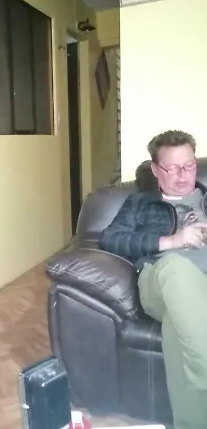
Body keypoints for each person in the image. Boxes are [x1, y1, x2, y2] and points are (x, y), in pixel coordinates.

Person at [100, 130, 207, 429]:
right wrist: (171, 241)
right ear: (156, 170)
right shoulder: (140, 203)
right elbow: (110, 239)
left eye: (188, 166)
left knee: (178, 329)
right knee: (175, 267)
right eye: (172, 168)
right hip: (161, 279)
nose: (182, 176)